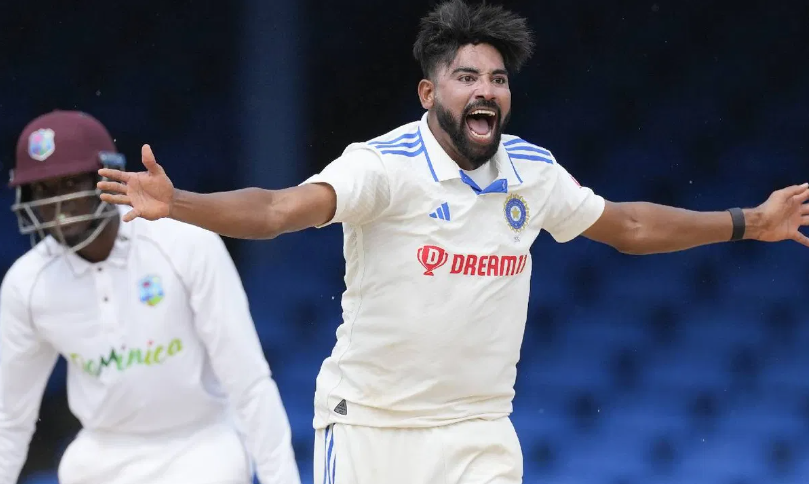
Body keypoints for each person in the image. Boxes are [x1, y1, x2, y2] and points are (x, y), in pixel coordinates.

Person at [97, 0, 809, 482]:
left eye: (497, 79)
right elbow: (282, 209)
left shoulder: (531, 171)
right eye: (466, 76)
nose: (486, 90)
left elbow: (625, 226)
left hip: (476, 430)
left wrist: (749, 220)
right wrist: (179, 203)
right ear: (426, 93)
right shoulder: (381, 166)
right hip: (371, 428)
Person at [0, 110, 302, 484]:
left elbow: (249, 382)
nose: (58, 204)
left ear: (107, 178)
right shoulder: (26, 284)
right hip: (101, 454)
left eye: (70, 183)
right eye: (43, 189)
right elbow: (9, 418)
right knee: (75, 466)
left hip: (201, 445)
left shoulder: (186, 243)